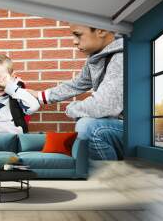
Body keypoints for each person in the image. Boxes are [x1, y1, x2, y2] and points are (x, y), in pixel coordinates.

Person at [27, 24, 124, 160]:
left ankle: (110, 177)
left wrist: (71, 109)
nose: (74, 41)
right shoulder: (96, 56)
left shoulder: (121, 57)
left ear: (101, 30)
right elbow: (78, 83)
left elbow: (104, 105)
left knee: (88, 127)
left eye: (78, 35)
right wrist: (41, 96)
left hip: (135, 131)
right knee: (86, 124)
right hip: (116, 126)